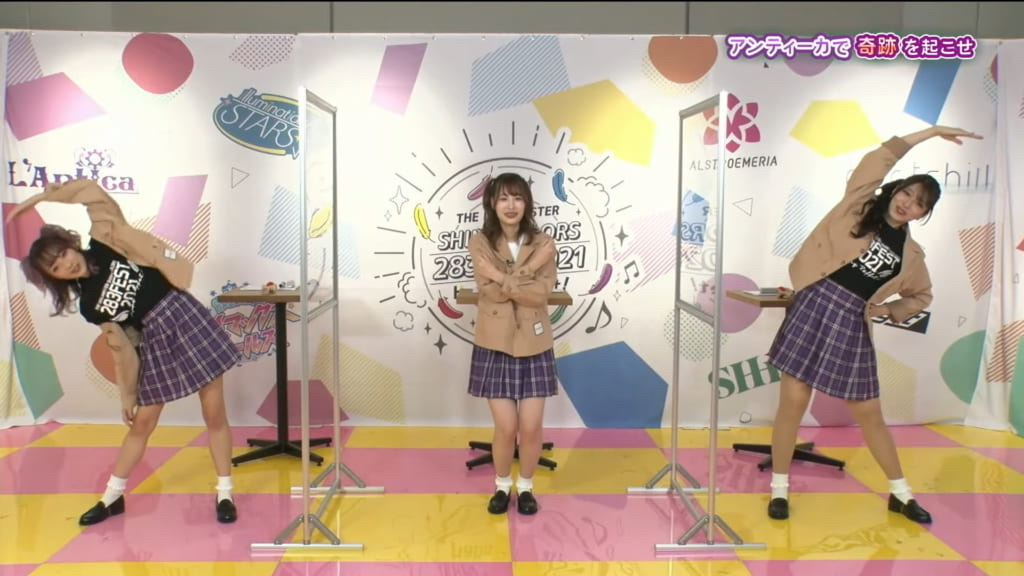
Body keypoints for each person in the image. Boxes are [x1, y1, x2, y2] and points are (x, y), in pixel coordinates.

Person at [765, 125, 983, 524]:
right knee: (792, 403)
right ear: (895, 189)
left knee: (869, 412)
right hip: (813, 305)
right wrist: (932, 132)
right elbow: (880, 158)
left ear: (924, 214)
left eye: (919, 204)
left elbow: (921, 296)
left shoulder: (911, 255)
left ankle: (901, 494)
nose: (908, 204)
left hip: (851, 321)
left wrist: (885, 310)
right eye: (907, 193)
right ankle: (779, 488)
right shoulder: (857, 204)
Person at [7, 178, 241, 526]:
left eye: (62, 254)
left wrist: (44, 196)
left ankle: (224, 492)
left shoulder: (105, 242)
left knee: (213, 412)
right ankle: (111, 497)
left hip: (184, 315)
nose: (65, 264)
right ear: (55, 278)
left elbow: (94, 195)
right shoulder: (90, 306)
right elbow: (122, 347)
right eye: (55, 268)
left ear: (71, 245)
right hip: (156, 338)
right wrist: (127, 395)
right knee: (143, 422)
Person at [467, 172, 559, 516]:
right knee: (506, 428)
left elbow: (540, 295)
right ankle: (503, 485)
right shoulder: (480, 242)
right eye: (503, 198)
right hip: (494, 344)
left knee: (531, 427)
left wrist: (502, 275)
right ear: (492, 203)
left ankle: (527, 487)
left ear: (527, 203)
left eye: (518, 197)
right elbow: (489, 292)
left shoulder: (543, 242)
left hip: (535, 343)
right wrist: (529, 269)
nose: (511, 205)